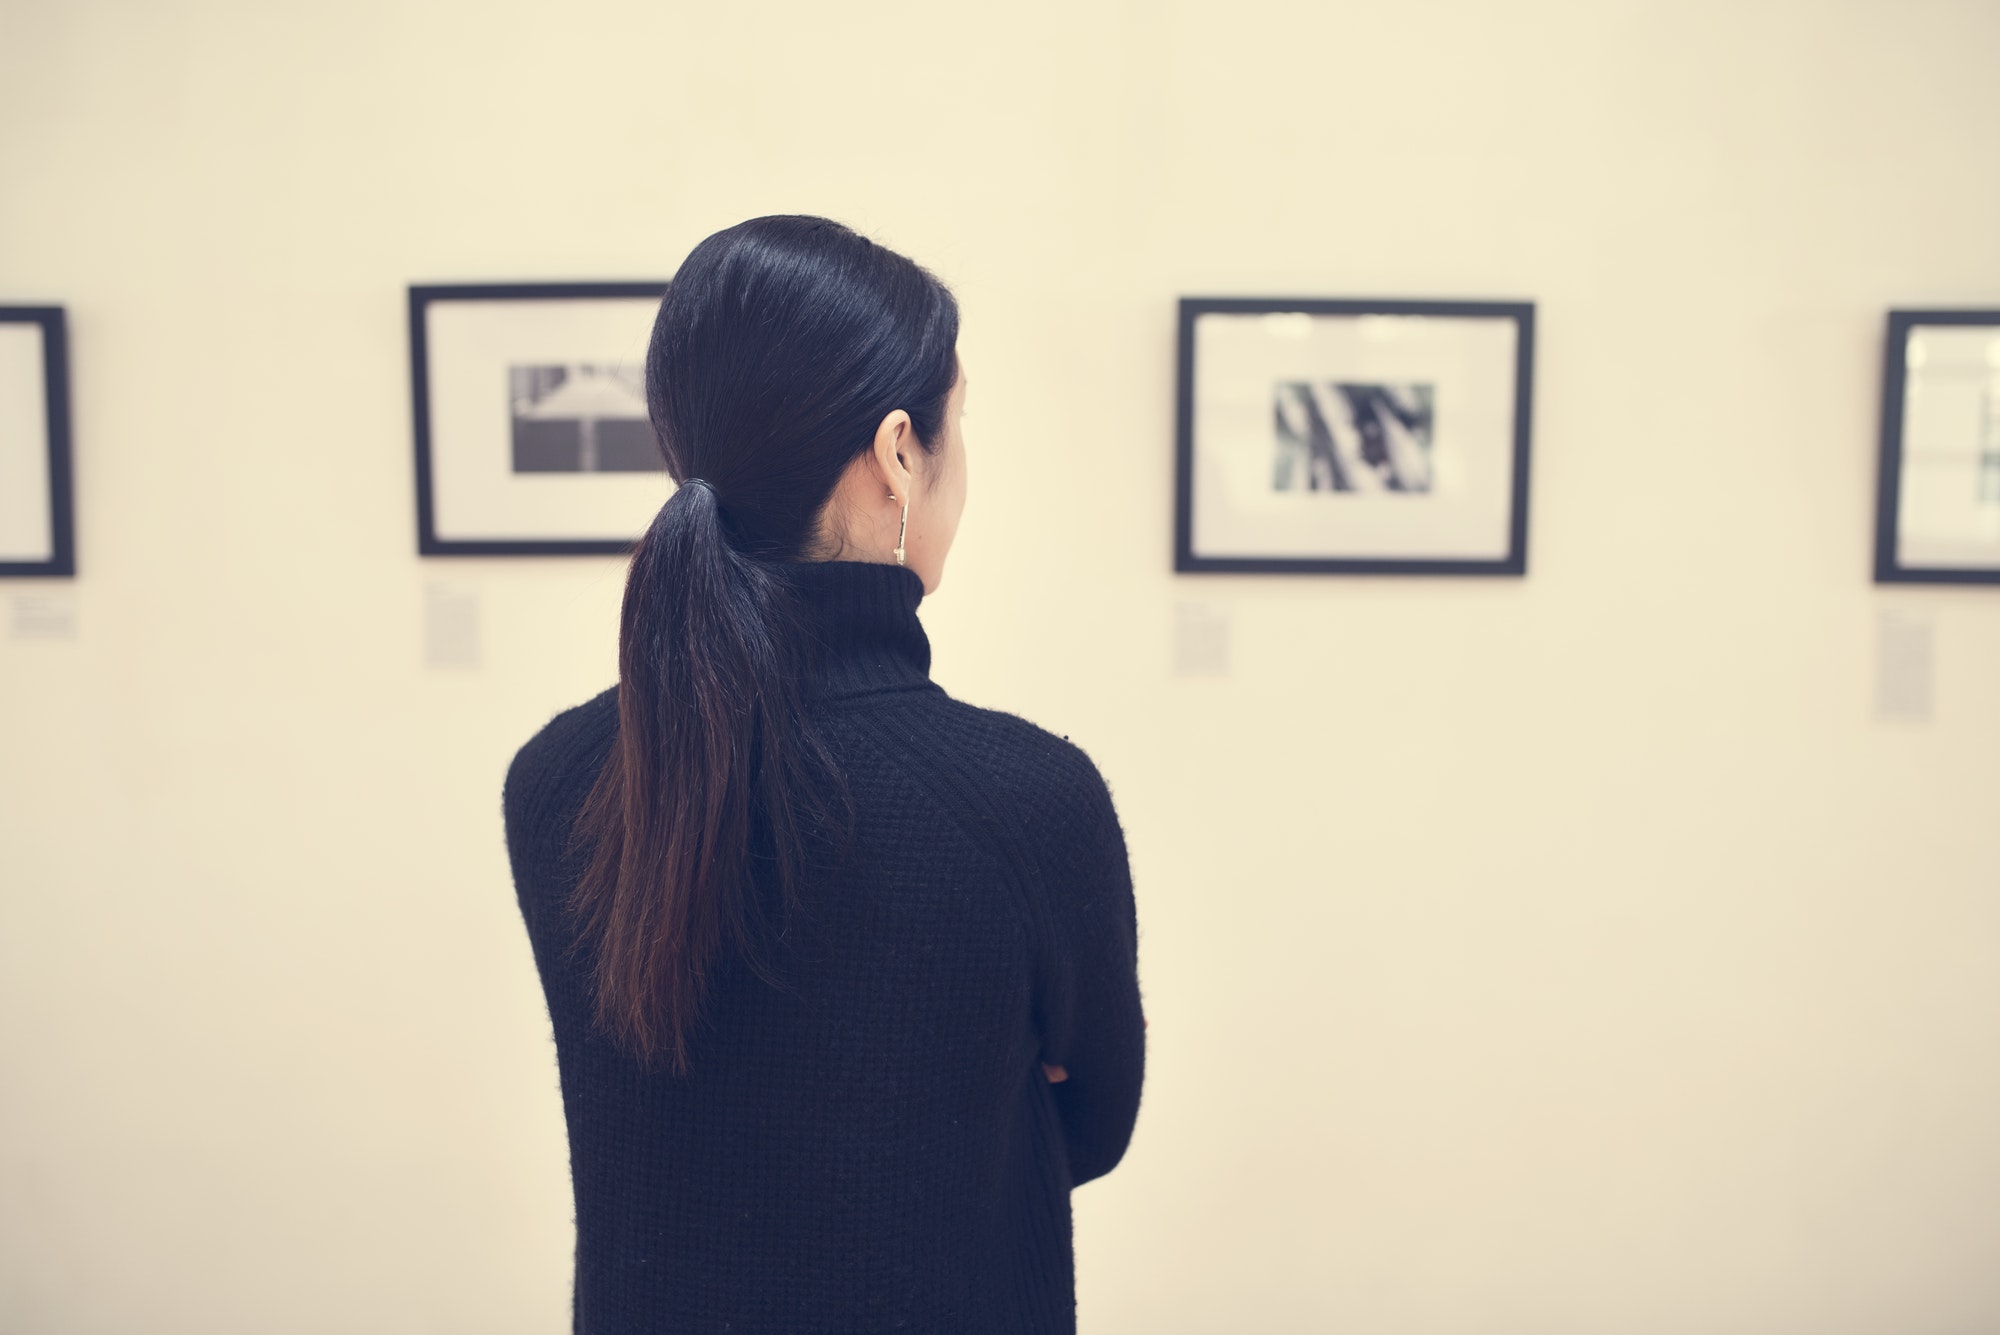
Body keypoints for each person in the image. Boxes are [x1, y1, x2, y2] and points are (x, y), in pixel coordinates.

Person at [502, 215, 1146, 1334]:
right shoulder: (1023, 801)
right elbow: (1091, 1120)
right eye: (957, 427)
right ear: (899, 452)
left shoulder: (559, 780)